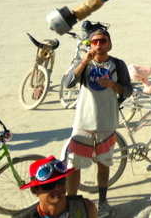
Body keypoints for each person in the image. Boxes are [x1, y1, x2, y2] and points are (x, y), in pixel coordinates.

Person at [63, 25, 132, 216]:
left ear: (110, 44)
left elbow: (128, 91)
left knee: (104, 165)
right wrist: (84, 61)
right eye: (95, 42)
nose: (99, 45)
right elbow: (68, 83)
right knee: (74, 166)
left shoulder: (118, 65)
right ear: (90, 44)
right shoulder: (83, 63)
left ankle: (103, 201)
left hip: (106, 124)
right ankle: (72, 203)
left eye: (103, 41)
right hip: (83, 124)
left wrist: (112, 84)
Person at [16, 156, 97, 218]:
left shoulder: (86, 208)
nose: (57, 188)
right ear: (35, 190)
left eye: (61, 182)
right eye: (49, 185)